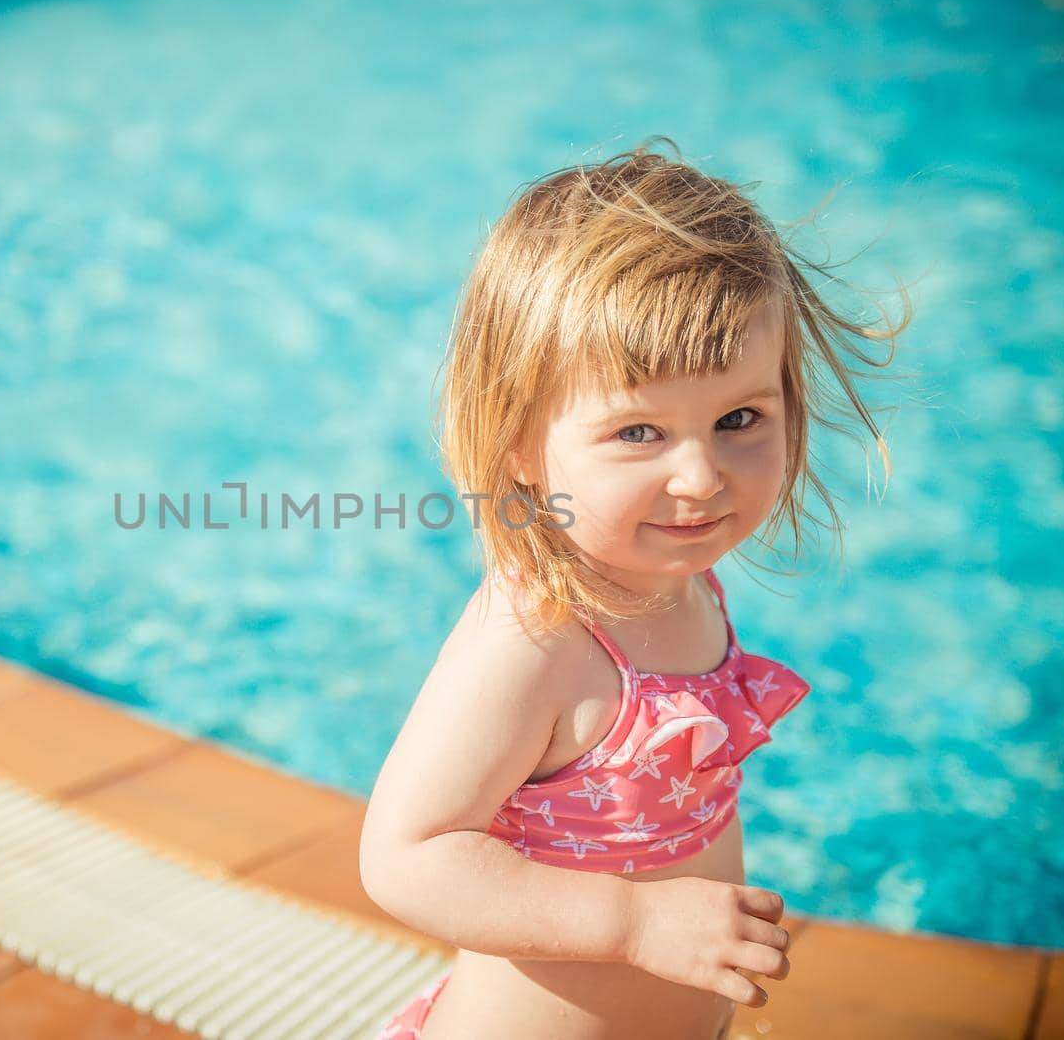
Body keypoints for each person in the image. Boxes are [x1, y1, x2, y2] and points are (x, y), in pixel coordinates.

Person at [358, 137, 913, 1039]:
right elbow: (407, 856)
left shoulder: (681, 578)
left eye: (739, 418)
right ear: (519, 446)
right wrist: (635, 924)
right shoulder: (537, 637)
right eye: (640, 434)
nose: (701, 477)